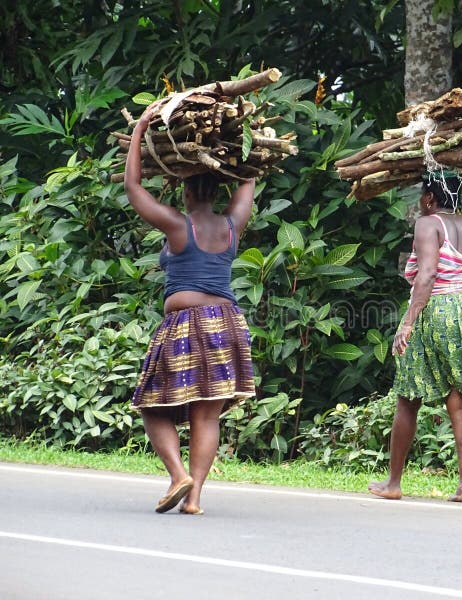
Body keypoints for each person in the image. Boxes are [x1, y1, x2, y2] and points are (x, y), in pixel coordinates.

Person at [124, 104, 256, 515]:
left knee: (150, 406)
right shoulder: (234, 223)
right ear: (218, 190)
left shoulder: (178, 226)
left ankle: (179, 475)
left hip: (185, 325)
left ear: (183, 188)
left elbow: (133, 188)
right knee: (207, 413)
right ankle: (194, 498)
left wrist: (140, 129)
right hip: (228, 325)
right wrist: (246, 137)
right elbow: (251, 175)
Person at [368, 170, 462, 503]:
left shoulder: (428, 224)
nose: (419, 203)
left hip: (437, 310)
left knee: (408, 399)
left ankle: (394, 483)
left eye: (421, 196)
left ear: (430, 198)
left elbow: (429, 274)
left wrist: (407, 323)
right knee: (461, 404)